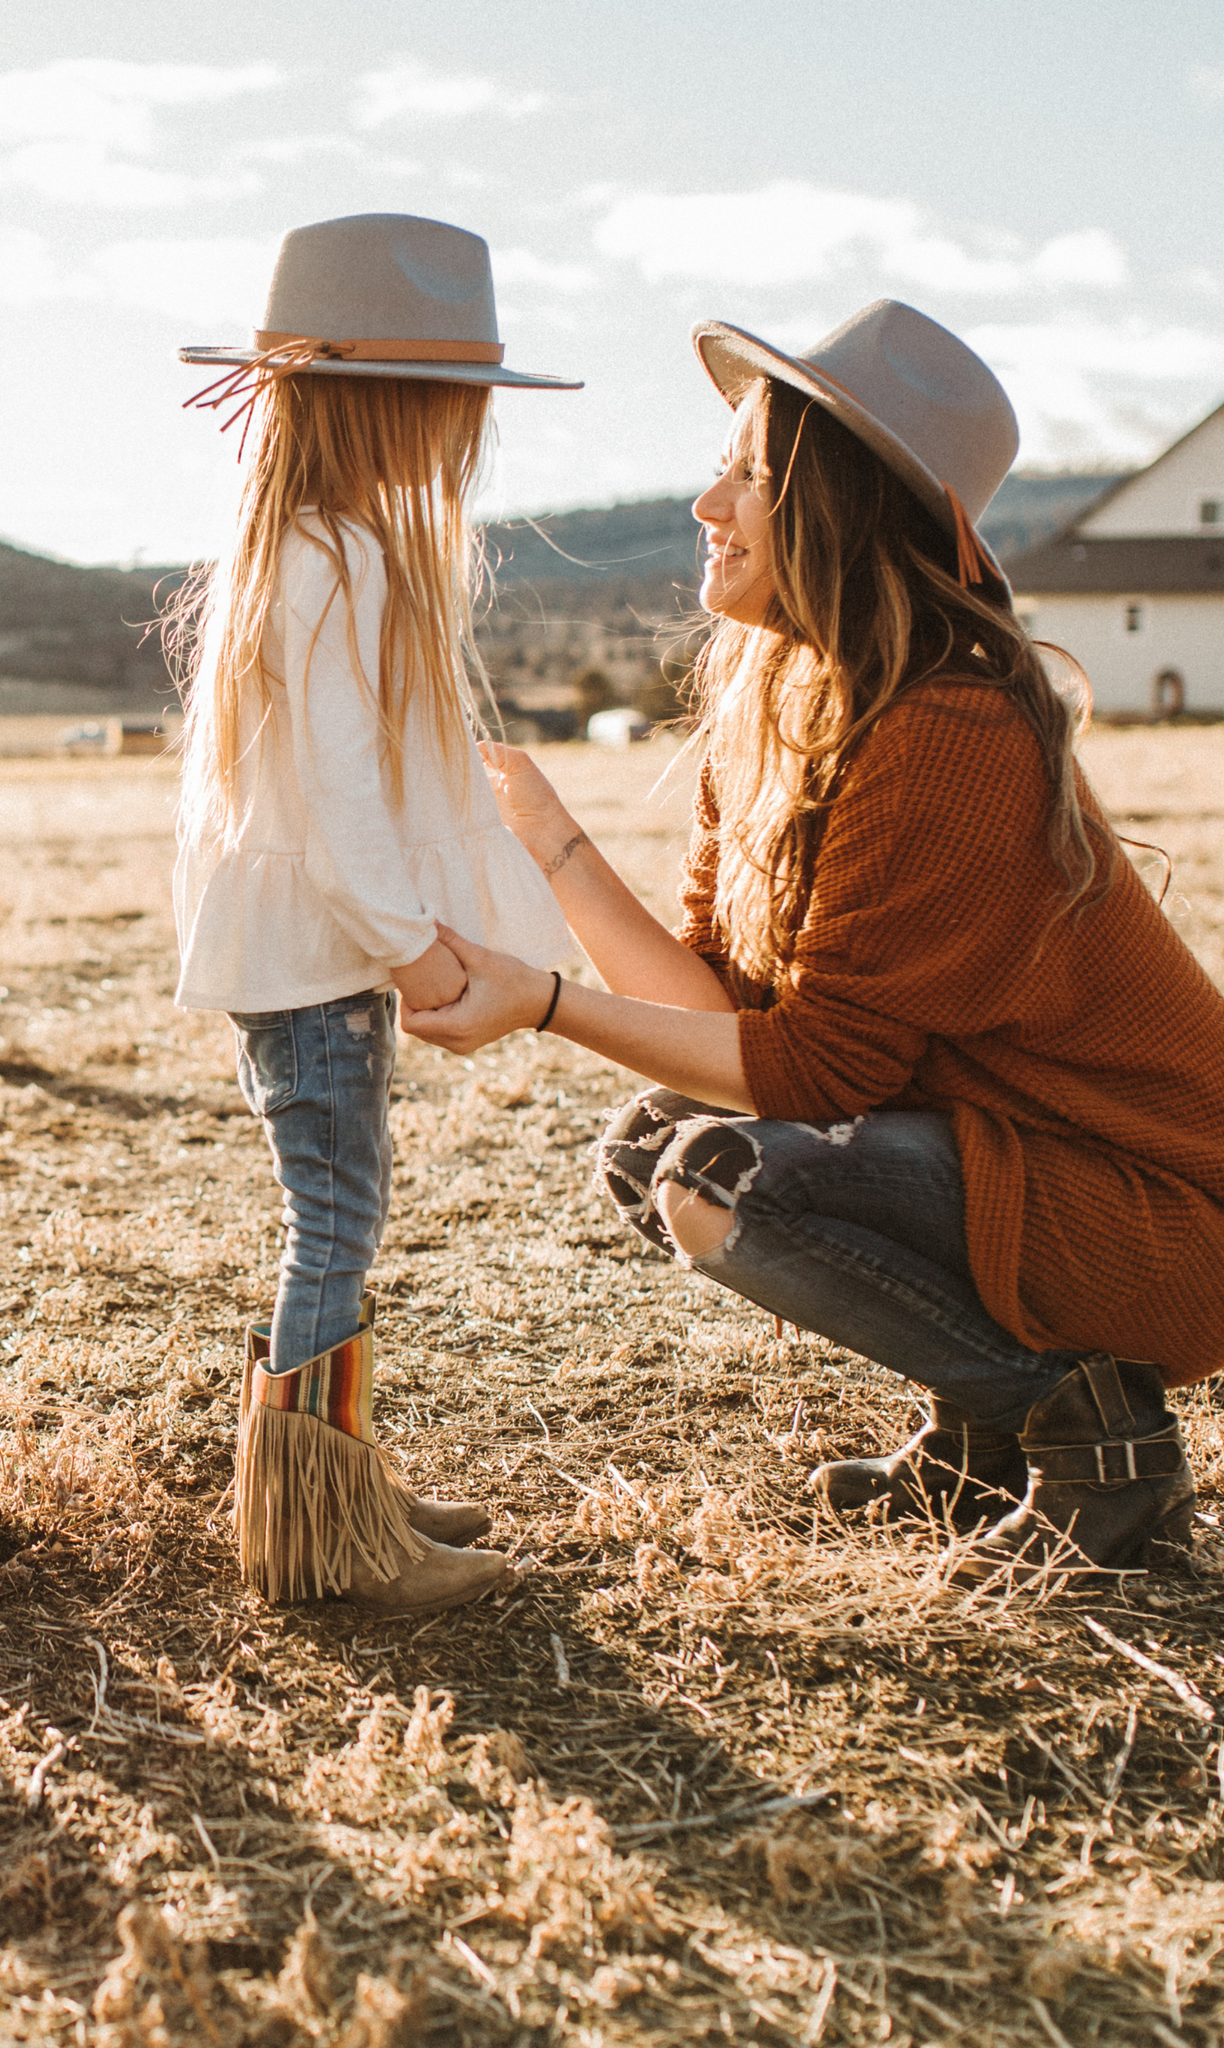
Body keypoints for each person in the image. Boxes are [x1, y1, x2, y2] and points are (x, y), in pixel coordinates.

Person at [403, 299, 1224, 1569]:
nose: (708, 502)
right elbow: (720, 1018)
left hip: (1159, 1212)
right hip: (1009, 1163)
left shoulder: (946, 726)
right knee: (654, 1142)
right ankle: (982, 1435)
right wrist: (546, 838)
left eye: (751, 474)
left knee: (715, 1177)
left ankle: (1096, 1443)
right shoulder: (788, 700)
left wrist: (543, 1002)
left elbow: (819, 1072)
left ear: (840, 506)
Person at [172, 213, 580, 1614]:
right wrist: (415, 951)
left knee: (340, 1214)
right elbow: (343, 808)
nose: (461, 443)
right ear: (383, 408)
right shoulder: (326, 564)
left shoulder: (309, 546)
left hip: (310, 954)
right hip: (324, 958)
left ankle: (337, 1479)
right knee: (334, 1225)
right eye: (449, 411)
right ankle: (317, 1539)